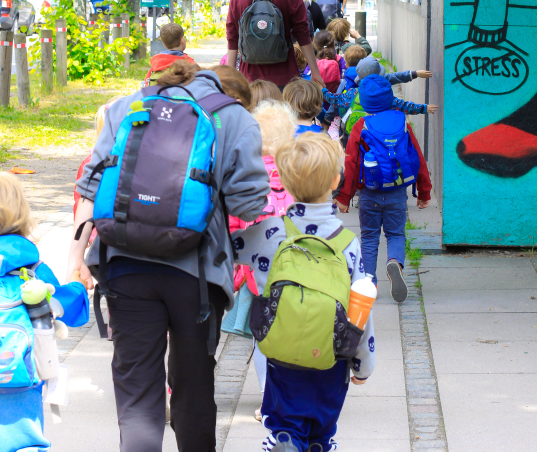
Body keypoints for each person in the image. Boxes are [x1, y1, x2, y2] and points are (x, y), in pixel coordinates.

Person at [68, 60, 270, 452]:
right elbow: (249, 204)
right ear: (232, 95)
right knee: (193, 385)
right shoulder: (234, 119)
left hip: (123, 264)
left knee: (138, 393)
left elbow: (90, 183)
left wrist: (77, 255)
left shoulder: (130, 104)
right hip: (196, 277)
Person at [231, 132, 374, 452]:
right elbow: (362, 302)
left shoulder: (270, 232)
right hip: (332, 356)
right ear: (337, 179)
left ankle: (284, 440)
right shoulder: (348, 244)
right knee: (322, 434)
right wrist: (363, 364)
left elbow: (225, 249)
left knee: (285, 423)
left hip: (282, 353)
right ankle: (316, 445)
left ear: (284, 180)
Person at [0, 171, 89, 452]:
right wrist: (78, 286)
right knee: (24, 444)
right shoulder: (33, 270)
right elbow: (69, 310)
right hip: (21, 379)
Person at [335, 74, 433, 304]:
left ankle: (369, 283)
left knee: (369, 237)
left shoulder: (361, 126)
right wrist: (424, 192)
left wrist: (343, 197)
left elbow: (351, 163)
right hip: (397, 194)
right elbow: (417, 158)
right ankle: (395, 263)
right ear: (390, 98)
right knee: (396, 234)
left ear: (365, 102)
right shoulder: (402, 123)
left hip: (369, 194)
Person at [227, 100, 297, 419]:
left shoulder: (246, 176)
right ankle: (295, 393)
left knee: (262, 339)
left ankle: (270, 399)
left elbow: (233, 222)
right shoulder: (298, 172)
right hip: (296, 271)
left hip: (259, 273)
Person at [225, 0, 323, 90]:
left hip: (251, 80)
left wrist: (230, 78)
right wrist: (314, 71)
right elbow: (303, 36)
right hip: (285, 78)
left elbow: (232, 39)